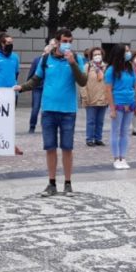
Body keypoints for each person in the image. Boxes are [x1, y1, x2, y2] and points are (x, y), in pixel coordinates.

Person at [15, 29, 88, 196]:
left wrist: (72, 63)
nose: (67, 43)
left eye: (69, 40)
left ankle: (68, 184)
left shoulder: (77, 58)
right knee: (50, 147)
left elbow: (82, 81)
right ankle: (52, 183)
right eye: (64, 40)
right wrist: (21, 87)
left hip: (68, 110)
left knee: (67, 148)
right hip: (48, 109)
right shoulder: (46, 59)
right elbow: (36, 80)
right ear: (57, 41)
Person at [104, 44, 136, 169]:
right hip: (118, 103)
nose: (129, 53)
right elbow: (108, 90)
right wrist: (112, 108)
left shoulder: (130, 68)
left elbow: (135, 86)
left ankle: (123, 157)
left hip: (130, 103)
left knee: (125, 131)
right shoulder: (111, 70)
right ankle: (116, 158)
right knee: (115, 130)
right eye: (126, 51)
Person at [82, 47, 108, 147]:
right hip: (90, 98)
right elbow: (82, 83)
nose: (97, 56)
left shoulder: (106, 67)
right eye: (95, 54)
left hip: (103, 98)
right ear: (91, 56)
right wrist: (84, 96)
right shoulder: (87, 67)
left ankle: (98, 138)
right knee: (91, 121)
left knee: (100, 121)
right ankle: (89, 139)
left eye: (99, 54)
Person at [26, 45, 51, 133]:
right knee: (35, 108)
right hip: (37, 88)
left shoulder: (53, 61)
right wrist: (27, 86)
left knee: (47, 109)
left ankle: (45, 127)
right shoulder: (37, 60)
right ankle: (32, 127)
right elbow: (31, 73)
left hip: (48, 88)